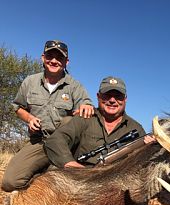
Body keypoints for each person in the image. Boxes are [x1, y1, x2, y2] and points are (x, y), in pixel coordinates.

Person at [1, 40, 94, 192]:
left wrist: (86, 107)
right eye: (50, 56)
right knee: (10, 182)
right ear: (43, 58)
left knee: (69, 120)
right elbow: (18, 107)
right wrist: (29, 119)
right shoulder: (30, 82)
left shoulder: (75, 86)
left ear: (66, 62)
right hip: (39, 141)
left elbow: (86, 106)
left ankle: (56, 168)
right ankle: (41, 173)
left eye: (59, 58)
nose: (54, 61)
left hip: (64, 144)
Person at [44, 76, 154, 168]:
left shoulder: (136, 129)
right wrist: (70, 164)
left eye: (118, 96)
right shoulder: (85, 117)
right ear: (98, 96)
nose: (112, 100)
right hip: (80, 178)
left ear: (125, 99)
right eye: (107, 95)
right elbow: (55, 140)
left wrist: (149, 150)